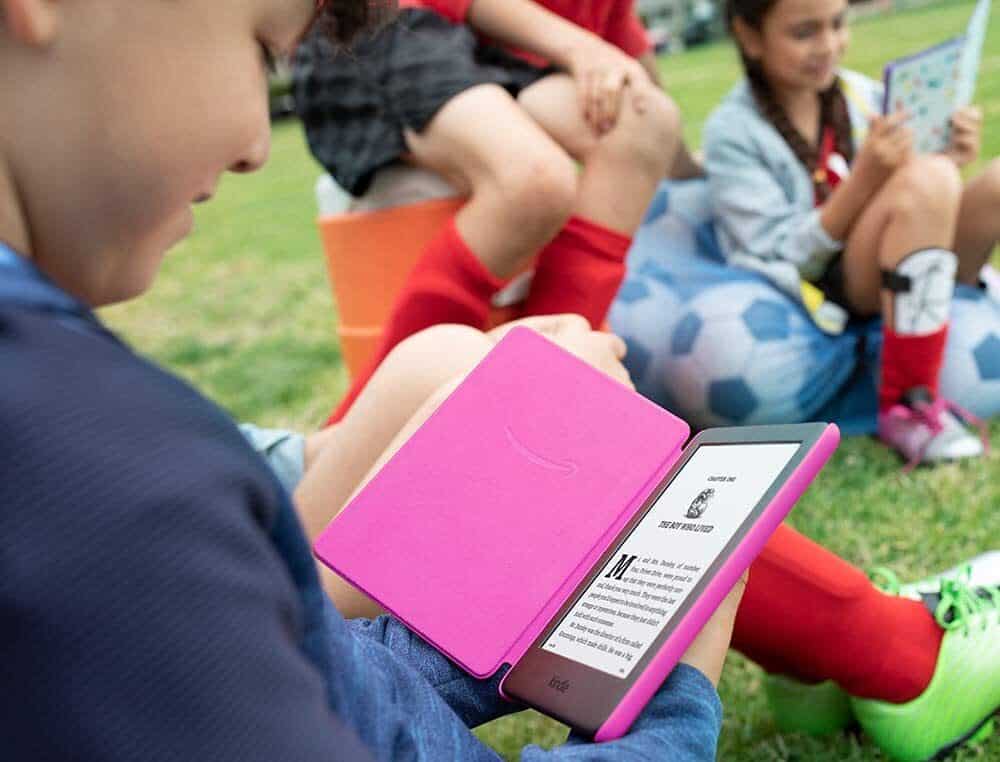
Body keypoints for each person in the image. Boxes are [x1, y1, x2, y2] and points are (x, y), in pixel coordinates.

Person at [0, 1, 748, 759]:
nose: (258, 146)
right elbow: (294, 658)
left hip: (356, 657)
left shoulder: (92, 428)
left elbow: (317, 652)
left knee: (458, 363)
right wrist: (678, 710)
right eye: (264, 51)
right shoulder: (94, 472)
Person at [293, 0, 703, 422]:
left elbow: (628, 58)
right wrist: (582, 47)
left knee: (647, 123)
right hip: (392, 24)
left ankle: (538, 390)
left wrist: (688, 168)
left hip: (500, 61)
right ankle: (359, 425)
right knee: (535, 181)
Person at [703, 0, 1000, 469]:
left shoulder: (864, 96)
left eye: (838, 24)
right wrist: (865, 181)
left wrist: (947, 155)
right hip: (830, 288)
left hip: (904, 260)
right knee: (929, 181)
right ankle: (908, 405)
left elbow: (915, 193)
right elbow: (776, 256)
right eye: (804, 32)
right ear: (750, 35)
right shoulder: (733, 132)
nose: (829, 45)